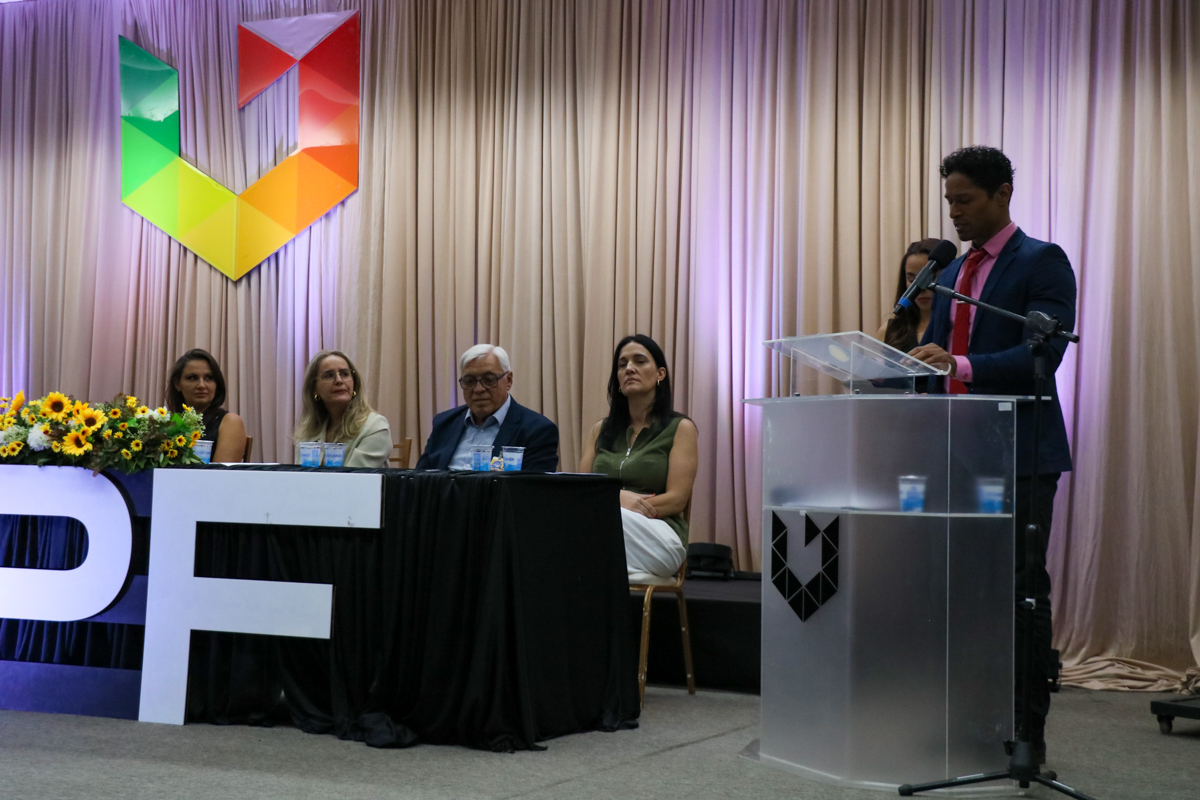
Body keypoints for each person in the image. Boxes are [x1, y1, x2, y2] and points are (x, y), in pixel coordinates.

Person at [910, 145, 1076, 763]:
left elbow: (1043, 353)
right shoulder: (951, 273)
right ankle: (967, 720)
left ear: (1002, 193)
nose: (954, 213)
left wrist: (961, 365)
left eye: (966, 200)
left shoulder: (1042, 261)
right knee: (961, 591)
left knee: (1018, 591)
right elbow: (934, 359)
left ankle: (1024, 733)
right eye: (949, 201)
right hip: (957, 452)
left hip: (1020, 453)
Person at [578, 335, 699, 578]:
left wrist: (618, 507)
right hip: (606, 528)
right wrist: (616, 499)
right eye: (622, 364)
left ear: (660, 374)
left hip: (658, 536)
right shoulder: (600, 430)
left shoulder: (680, 428)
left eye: (639, 361)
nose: (629, 368)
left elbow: (676, 500)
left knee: (594, 524)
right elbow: (580, 490)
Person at [416, 344, 559, 471]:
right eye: (469, 381)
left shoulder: (537, 430)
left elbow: (532, 488)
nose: (478, 389)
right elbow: (420, 479)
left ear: (509, 381)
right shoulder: (445, 423)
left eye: (489, 380)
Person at [293, 350, 392, 468]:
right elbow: (299, 477)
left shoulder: (375, 426)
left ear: (354, 384)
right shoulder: (308, 433)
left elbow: (354, 478)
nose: (339, 381)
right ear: (314, 389)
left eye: (345, 374)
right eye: (329, 375)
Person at [167, 349, 247, 463]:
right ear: (177, 383)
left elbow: (221, 473)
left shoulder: (230, 422)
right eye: (192, 378)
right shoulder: (170, 422)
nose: (201, 385)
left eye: (209, 378)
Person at [874, 238, 944, 351]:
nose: (921, 288)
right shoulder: (890, 331)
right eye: (912, 280)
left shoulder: (958, 330)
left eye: (930, 278)